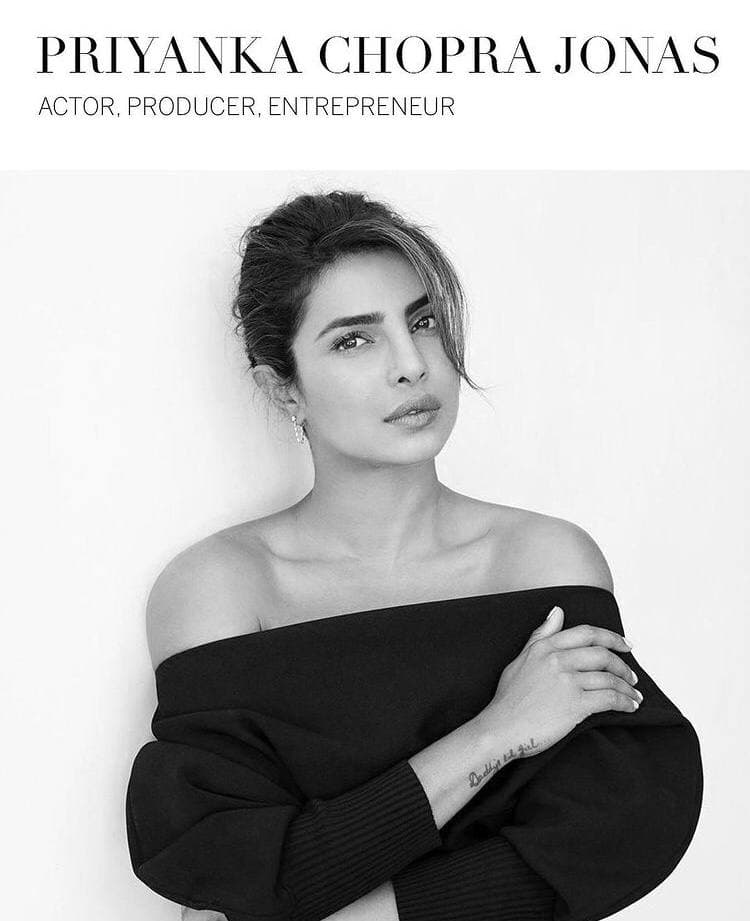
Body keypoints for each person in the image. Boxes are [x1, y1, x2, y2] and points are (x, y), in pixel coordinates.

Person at [125, 190, 703, 921]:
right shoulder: (219, 587)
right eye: (353, 340)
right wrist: (498, 731)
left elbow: (612, 833)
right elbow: (236, 868)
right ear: (284, 388)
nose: (411, 364)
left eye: (423, 321)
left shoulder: (543, 562)